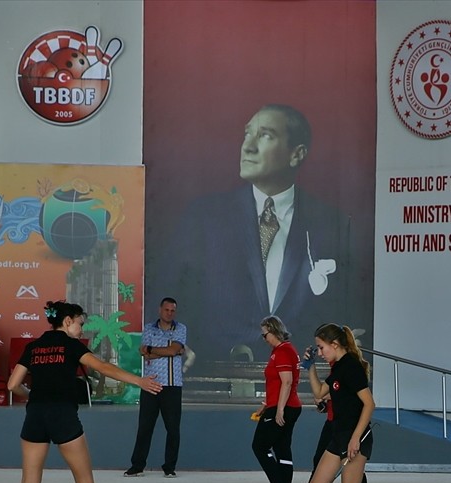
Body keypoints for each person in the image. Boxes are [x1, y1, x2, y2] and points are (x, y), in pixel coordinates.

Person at [150, 103, 361, 363]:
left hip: (302, 374)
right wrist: (182, 345)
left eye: (265, 135)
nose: (248, 147)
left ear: (297, 154)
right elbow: (170, 294)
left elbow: (349, 305)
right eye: (247, 134)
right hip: (217, 373)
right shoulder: (205, 217)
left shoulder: (331, 224)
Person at [6, 300, 162, 483]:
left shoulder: (33, 347)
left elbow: (12, 385)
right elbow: (102, 367)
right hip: (63, 416)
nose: (81, 328)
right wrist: (139, 381)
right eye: (79, 323)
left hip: (35, 417)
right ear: (67, 322)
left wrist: (30, 396)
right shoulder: (72, 346)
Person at [280, 324, 375, 483]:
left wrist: (356, 438)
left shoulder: (351, 366)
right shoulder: (338, 368)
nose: (320, 352)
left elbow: (369, 404)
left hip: (357, 438)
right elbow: (321, 392)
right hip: (339, 437)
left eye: (322, 348)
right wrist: (310, 369)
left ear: (335, 345)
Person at [279, 396, 376, 483]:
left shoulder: (350, 377)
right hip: (333, 421)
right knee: (324, 460)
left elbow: (343, 391)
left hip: (346, 424)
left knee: (351, 464)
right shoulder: (334, 377)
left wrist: (323, 395)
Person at [125, 297, 187, 478]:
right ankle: (137, 466)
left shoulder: (181, 328)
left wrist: (156, 350)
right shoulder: (149, 328)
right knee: (145, 427)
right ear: (160, 310)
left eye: (172, 310)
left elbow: (173, 350)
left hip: (172, 385)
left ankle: (169, 467)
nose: (169, 313)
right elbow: (144, 353)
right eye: (167, 310)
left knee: (173, 429)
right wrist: (166, 350)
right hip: (150, 383)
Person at [254, 315, 303, 483]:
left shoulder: (282, 352)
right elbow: (278, 384)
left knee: (259, 446)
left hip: (283, 407)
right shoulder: (284, 350)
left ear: (273, 331)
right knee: (282, 449)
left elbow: (287, 381)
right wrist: (266, 405)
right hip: (285, 405)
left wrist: (279, 410)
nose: (264, 339)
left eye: (264, 335)